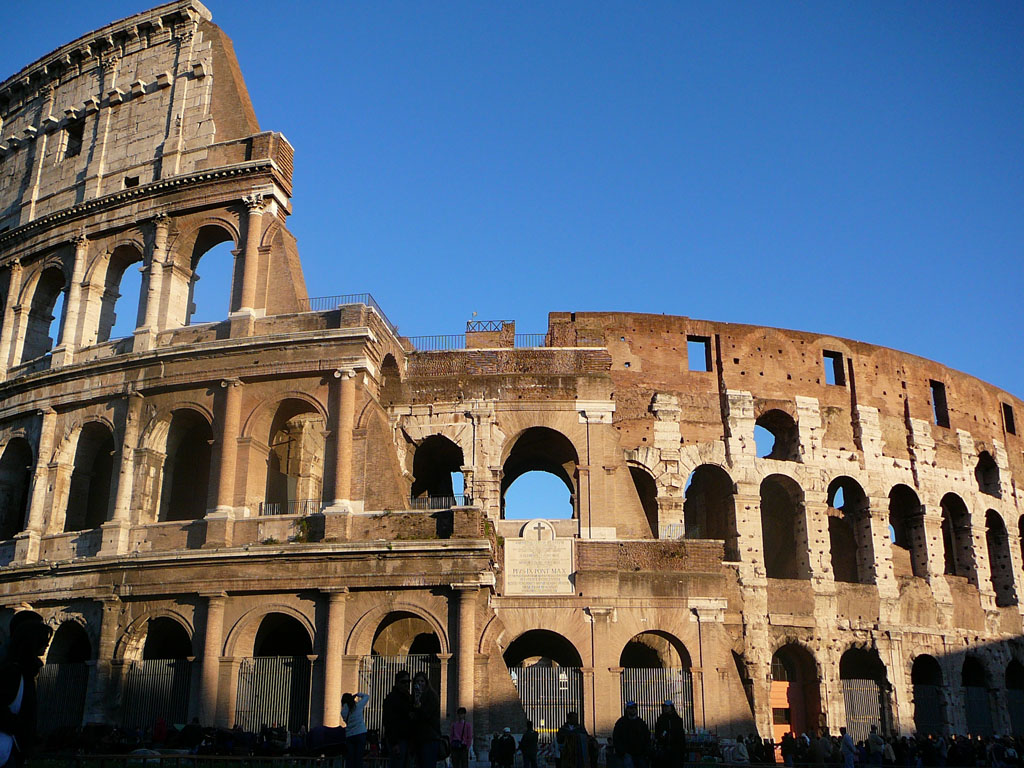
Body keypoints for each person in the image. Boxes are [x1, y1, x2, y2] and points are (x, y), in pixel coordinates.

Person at [0, 611, 52, 768]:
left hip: (14, 746)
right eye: (43, 641)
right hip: (7, 747)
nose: (47, 645)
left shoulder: (24, 671)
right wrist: (21, 728)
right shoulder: (14, 672)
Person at [411, 671, 442, 768]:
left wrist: (419, 706)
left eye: (422, 681)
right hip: (418, 738)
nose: (420, 683)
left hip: (430, 738)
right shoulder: (414, 697)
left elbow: (428, 716)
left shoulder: (432, 697)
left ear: (426, 683)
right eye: (417, 681)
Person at [383, 670, 413, 768]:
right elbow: (388, 722)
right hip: (397, 740)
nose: (406, 684)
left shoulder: (408, 697)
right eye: (403, 682)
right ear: (397, 683)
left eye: (408, 682)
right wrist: (394, 742)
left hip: (407, 738)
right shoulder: (392, 698)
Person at [612, 701, 651, 768]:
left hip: (640, 754)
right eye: (631, 708)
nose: (633, 710)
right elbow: (616, 738)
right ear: (627, 709)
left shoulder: (641, 722)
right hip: (627, 755)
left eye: (635, 708)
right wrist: (622, 752)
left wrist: (645, 751)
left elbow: (647, 737)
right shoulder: (621, 723)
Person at [653, 700, 686, 768]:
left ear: (671, 707)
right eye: (664, 707)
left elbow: (681, 736)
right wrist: (660, 737)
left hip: (675, 750)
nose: (665, 708)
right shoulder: (661, 719)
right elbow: (657, 733)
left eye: (667, 706)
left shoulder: (677, 720)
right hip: (664, 749)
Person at [343, 692, 370, 768]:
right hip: (360, 733)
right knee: (359, 757)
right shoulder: (358, 706)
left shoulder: (343, 712)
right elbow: (366, 696)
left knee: (350, 758)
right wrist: (357, 694)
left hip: (349, 735)